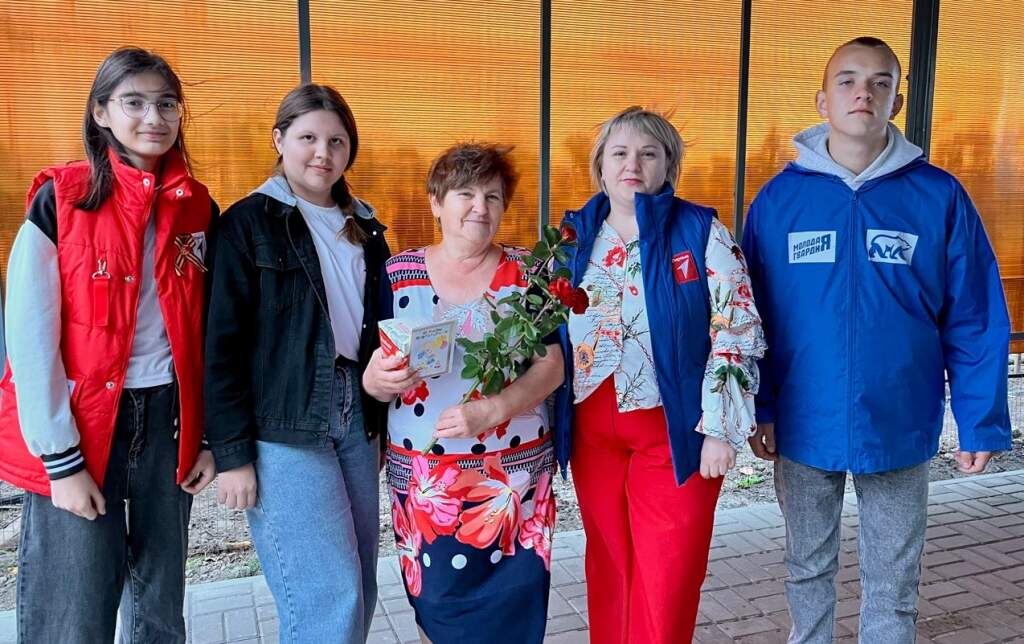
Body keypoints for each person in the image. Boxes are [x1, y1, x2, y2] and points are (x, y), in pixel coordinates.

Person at [742, 37, 1012, 644]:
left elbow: (973, 314)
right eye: (847, 80)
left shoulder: (937, 196)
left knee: (893, 579)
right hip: (802, 421)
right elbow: (748, 318)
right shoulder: (780, 200)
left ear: (896, 102)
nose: (863, 92)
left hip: (898, 420)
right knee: (806, 566)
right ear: (823, 99)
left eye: (880, 82)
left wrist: (980, 421)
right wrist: (760, 407)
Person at [0, 46, 217, 642]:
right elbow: (30, 338)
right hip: (84, 425)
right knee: (72, 611)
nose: (154, 117)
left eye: (167, 104)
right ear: (101, 113)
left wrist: (205, 436)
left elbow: (207, 331)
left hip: (168, 421)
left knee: (159, 608)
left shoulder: (198, 207)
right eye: (134, 102)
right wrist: (61, 461)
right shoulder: (61, 198)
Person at [553, 106, 766, 643]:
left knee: (668, 571)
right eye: (620, 153)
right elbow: (544, 329)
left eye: (649, 153)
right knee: (609, 565)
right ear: (600, 165)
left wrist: (719, 430)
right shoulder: (572, 236)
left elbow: (735, 327)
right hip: (593, 428)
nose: (633, 164)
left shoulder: (700, 230)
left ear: (668, 165)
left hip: (674, 429)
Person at [204, 83, 390, 644]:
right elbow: (221, 347)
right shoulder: (246, 224)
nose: (322, 153)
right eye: (308, 138)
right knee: (327, 591)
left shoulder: (366, 226)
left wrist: (379, 422)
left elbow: (379, 329)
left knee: (360, 582)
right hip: (284, 420)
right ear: (279, 139)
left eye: (336, 141)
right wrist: (232, 455)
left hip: (355, 412)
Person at [363, 143, 564, 644]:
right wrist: (377, 381)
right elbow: (368, 370)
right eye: (465, 194)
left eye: (493, 196)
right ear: (436, 202)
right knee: (437, 607)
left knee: (514, 606)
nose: (480, 207)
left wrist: (492, 409)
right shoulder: (395, 274)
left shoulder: (529, 273)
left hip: (514, 480)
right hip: (427, 484)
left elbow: (553, 366)